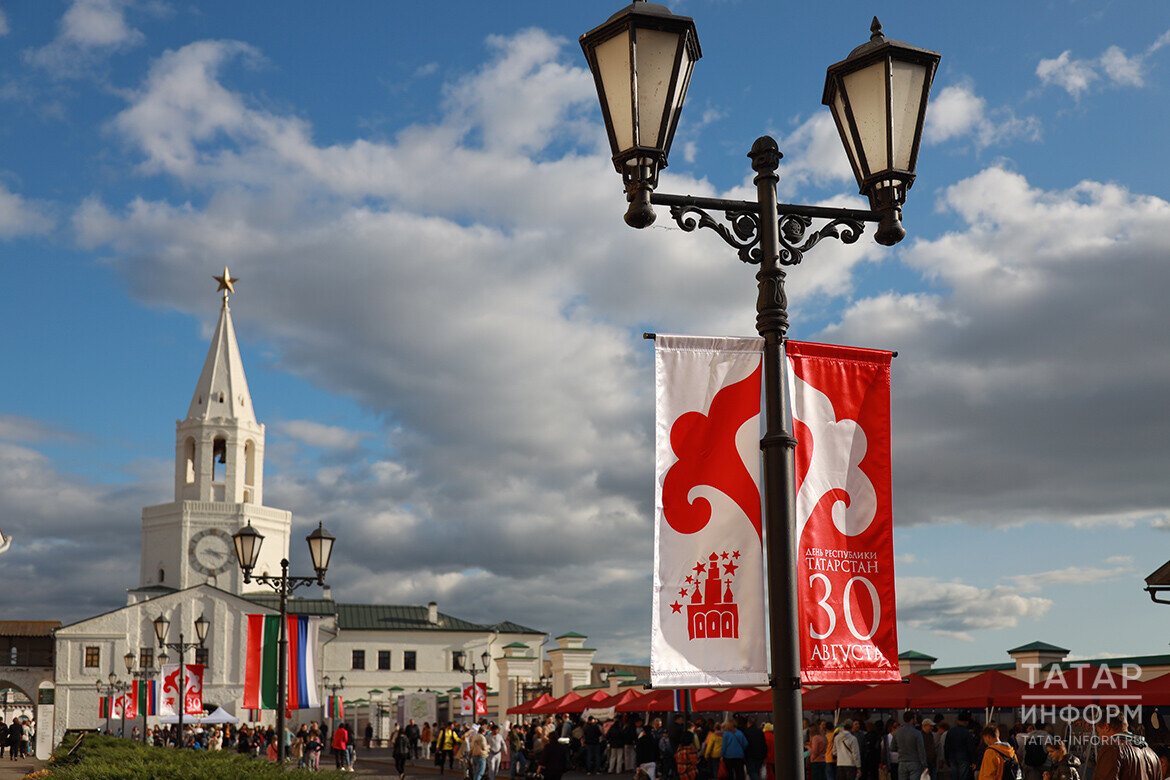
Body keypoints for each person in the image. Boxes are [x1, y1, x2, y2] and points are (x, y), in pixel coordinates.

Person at [1094, 714, 1160, 780]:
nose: (1100, 738)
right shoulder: (1152, 753)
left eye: (1099, 732)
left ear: (1106, 727)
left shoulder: (1112, 748)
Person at [893, 712, 926, 780]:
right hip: (914, 762)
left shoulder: (897, 732)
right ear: (912, 719)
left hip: (902, 762)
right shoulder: (917, 733)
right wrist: (924, 764)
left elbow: (892, 747)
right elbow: (921, 750)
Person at [946, 712, 979, 780]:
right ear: (967, 722)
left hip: (952, 757)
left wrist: (946, 759)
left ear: (958, 721)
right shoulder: (967, 733)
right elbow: (971, 748)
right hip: (964, 758)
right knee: (963, 777)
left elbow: (946, 746)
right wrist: (973, 761)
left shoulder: (950, 732)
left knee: (954, 776)